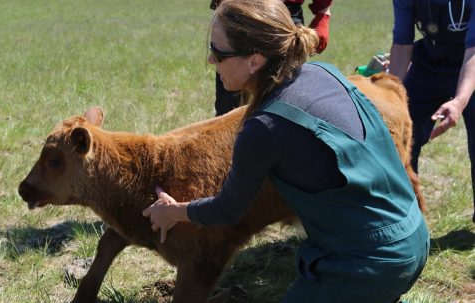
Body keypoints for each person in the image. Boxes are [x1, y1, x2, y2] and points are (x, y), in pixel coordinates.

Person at [143, 0, 429, 301]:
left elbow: (228, 210)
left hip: (368, 262)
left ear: (254, 61)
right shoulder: (323, 73)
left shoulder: (264, 127)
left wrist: (173, 212)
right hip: (413, 235)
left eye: (218, 52)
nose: (212, 61)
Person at [388, 0, 475, 223]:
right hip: (430, 63)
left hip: (471, 63)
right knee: (401, 136)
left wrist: (459, 101)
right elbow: (402, 44)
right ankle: (405, 217)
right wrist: (392, 96)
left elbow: (473, 49)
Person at [210, 0, 333, 116]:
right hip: (240, 13)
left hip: (280, 16)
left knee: (284, 96)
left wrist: (323, 12)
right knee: (228, 100)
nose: (210, 60)